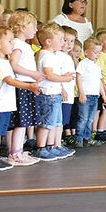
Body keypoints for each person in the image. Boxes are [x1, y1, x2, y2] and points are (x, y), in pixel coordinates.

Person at [0, 25, 38, 168]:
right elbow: (9, 80)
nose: (12, 44)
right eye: (9, 41)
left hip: (6, 105)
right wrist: (29, 86)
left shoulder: (4, 61)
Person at [34, 22, 76, 161]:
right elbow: (49, 75)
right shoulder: (46, 55)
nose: (63, 42)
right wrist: (65, 78)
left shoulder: (52, 55)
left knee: (55, 122)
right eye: (60, 39)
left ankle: (51, 146)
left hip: (55, 93)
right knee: (47, 123)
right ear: (49, 41)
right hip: (48, 94)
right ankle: (41, 147)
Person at [76, 38, 105, 147]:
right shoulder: (83, 63)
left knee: (90, 119)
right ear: (86, 52)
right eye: (95, 52)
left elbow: (99, 81)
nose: (97, 55)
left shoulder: (97, 66)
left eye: (99, 53)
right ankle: (79, 138)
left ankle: (87, 138)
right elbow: (78, 77)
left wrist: (103, 94)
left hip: (95, 96)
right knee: (83, 118)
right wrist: (81, 92)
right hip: (86, 95)